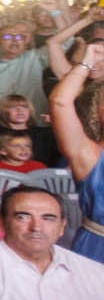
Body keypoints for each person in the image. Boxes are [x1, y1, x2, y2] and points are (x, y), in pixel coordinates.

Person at [46, 54, 104, 264]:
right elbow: (60, 102)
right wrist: (88, 59)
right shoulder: (88, 154)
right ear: (96, 113)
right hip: (98, 248)